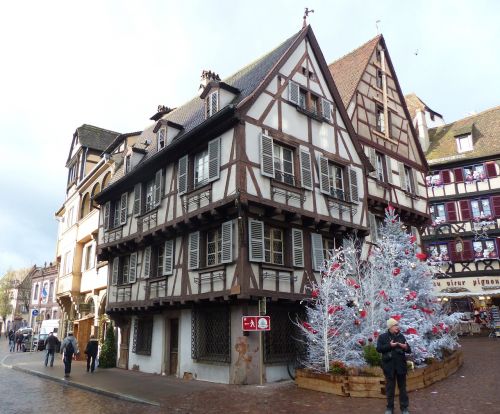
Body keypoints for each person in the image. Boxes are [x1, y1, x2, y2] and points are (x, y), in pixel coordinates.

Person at [376, 318, 411, 414]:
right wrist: (390, 346)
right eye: (395, 325)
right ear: (390, 327)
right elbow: (378, 349)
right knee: (390, 389)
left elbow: (409, 350)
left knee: (402, 389)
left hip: (401, 367)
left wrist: (405, 347)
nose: (397, 327)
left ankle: (404, 408)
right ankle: (389, 408)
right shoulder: (383, 337)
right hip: (389, 367)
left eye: (397, 325)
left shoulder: (401, 336)